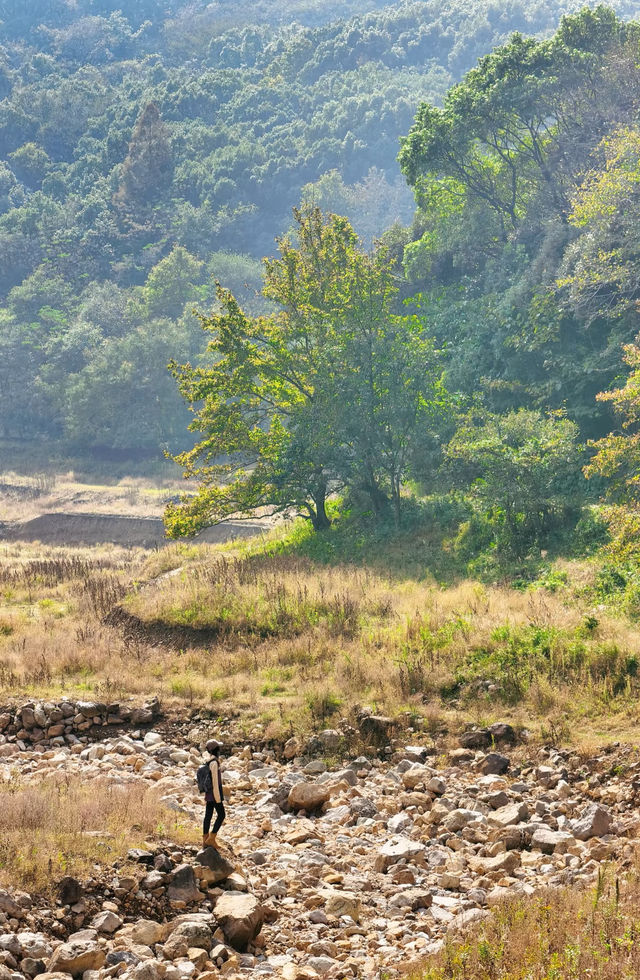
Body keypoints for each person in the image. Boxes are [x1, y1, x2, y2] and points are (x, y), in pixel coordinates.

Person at [203, 738, 225, 848]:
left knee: (208, 816)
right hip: (214, 794)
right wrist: (218, 798)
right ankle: (211, 838)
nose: (220, 749)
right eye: (218, 748)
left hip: (208, 794)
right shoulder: (214, 763)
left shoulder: (208, 761)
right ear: (215, 750)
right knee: (222, 815)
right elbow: (215, 782)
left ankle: (205, 840)